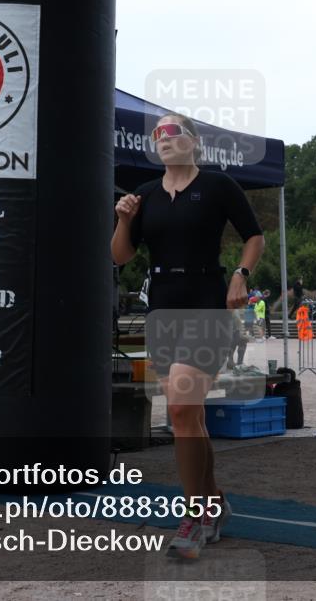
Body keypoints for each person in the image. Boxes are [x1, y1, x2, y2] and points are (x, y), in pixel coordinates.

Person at [111, 111, 264, 559]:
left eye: (172, 131)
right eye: (157, 134)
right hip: (162, 307)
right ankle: (214, 504)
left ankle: (193, 516)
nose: (162, 138)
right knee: (188, 416)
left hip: (206, 301)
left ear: (193, 141)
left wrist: (241, 273)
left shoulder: (218, 186)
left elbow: (253, 236)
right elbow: (119, 257)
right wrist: (122, 220)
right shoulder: (142, 195)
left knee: (180, 407)